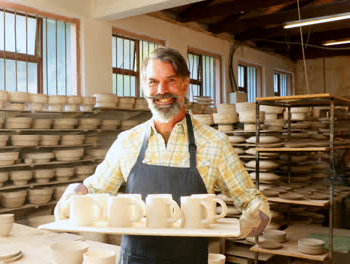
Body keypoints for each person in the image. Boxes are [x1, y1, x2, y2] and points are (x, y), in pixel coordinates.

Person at [55, 47, 270, 264]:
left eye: (171, 80)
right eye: (153, 82)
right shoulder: (128, 141)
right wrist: (76, 191)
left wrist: (256, 217)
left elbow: (251, 199)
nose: (162, 90)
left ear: (186, 84)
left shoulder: (215, 143)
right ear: (144, 88)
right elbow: (94, 189)